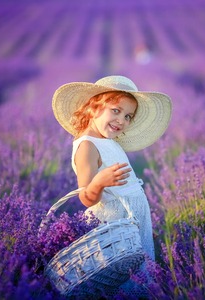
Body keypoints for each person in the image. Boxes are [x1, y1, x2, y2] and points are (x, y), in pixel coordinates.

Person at [52, 75, 172, 297]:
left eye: (128, 116)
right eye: (115, 110)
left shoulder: (107, 142)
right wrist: (99, 181)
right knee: (124, 278)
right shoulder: (87, 146)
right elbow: (86, 197)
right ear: (93, 107)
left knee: (140, 272)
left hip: (131, 221)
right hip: (115, 227)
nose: (122, 120)